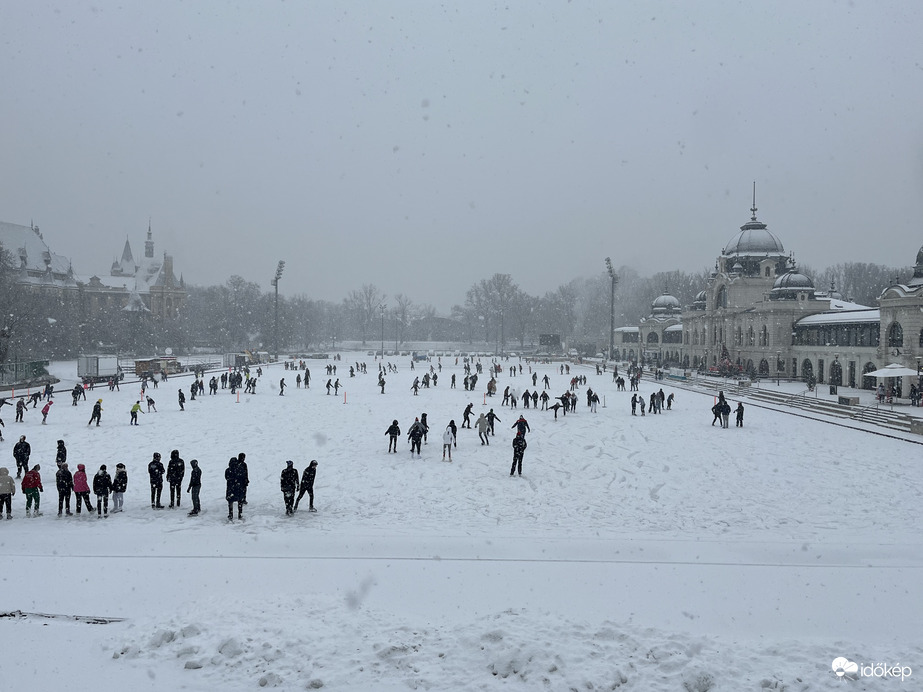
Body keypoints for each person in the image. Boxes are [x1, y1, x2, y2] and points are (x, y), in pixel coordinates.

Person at [225, 456, 247, 521]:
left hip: (230, 488)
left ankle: (231, 514)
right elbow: (243, 477)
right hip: (238, 487)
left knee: (230, 501)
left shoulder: (228, 470)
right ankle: (239, 514)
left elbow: (226, 478)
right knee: (239, 501)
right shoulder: (240, 469)